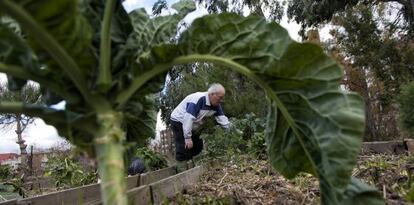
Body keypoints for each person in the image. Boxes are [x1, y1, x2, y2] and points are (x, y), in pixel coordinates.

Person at [170, 83, 231, 172]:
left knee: (198, 146)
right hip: (179, 120)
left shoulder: (216, 105)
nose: (221, 100)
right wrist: (187, 138)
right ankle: (181, 171)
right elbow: (188, 118)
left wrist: (235, 131)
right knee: (183, 146)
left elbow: (223, 121)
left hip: (193, 123)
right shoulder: (198, 99)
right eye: (220, 97)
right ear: (212, 94)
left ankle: (191, 166)